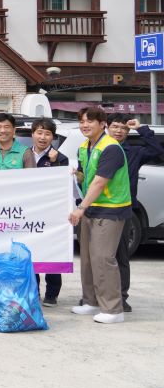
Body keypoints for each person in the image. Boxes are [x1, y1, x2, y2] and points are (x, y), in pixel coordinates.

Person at [70, 107, 130, 324]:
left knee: (103, 258)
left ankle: (113, 309)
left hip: (111, 209)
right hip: (91, 208)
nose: (85, 125)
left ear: (102, 123)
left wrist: (80, 208)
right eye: (82, 121)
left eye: (90, 121)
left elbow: (100, 181)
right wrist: (73, 174)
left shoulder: (110, 147)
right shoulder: (84, 146)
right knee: (87, 258)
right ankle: (91, 301)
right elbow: (86, 177)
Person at [106, 113, 163, 313]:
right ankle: (98, 295)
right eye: (115, 127)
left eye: (123, 128)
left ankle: (121, 297)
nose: (119, 131)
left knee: (120, 255)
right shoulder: (99, 148)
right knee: (98, 256)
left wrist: (141, 128)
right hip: (98, 208)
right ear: (107, 127)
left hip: (123, 209)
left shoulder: (134, 152)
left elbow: (156, 149)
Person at [26, 118, 70, 306]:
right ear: (33, 134)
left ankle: (52, 294)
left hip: (51, 213)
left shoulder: (60, 157)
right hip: (28, 211)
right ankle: (33, 291)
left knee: (52, 251)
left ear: (53, 137)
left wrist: (53, 163)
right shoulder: (24, 154)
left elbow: (62, 185)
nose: (43, 137)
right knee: (31, 252)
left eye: (47, 133)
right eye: (39, 132)